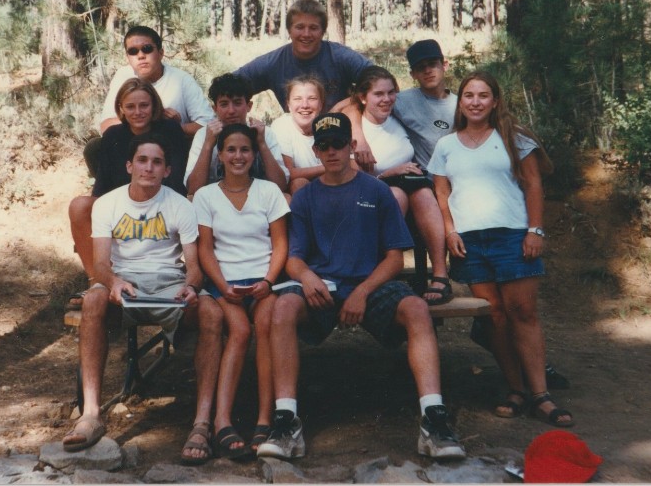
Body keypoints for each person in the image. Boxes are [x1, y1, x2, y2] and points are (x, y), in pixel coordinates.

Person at [257, 113, 466, 461]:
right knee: (283, 307)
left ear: (351, 146)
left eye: (338, 143)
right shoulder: (306, 197)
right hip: (322, 285)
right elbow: (293, 259)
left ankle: (434, 420)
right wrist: (307, 278)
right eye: (323, 146)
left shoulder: (377, 191)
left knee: (416, 308)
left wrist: (363, 291)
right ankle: (286, 420)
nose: (332, 152)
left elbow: (394, 258)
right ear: (316, 151)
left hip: (369, 284)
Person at [62, 134, 224, 465]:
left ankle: (202, 423)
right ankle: (91, 413)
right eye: (142, 160)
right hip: (124, 281)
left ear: (166, 170)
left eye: (156, 162)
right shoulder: (108, 203)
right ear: (129, 166)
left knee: (210, 312)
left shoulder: (180, 205)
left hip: (168, 283)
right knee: (93, 302)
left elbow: (193, 269)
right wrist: (112, 282)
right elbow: (102, 264)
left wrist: (191, 288)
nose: (148, 168)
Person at [428, 71, 574, 428]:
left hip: (512, 236)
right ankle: (515, 389)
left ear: (495, 101)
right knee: (493, 316)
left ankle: (541, 395)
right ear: (459, 102)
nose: (475, 102)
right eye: (468, 96)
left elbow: (534, 184)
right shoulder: (446, 145)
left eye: (483, 95)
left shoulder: (513, 138)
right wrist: (449, 233)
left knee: (522, 312)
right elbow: (442, 197)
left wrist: (534, 230)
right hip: (471, 243)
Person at [192, 124, 290, 458]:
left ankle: (265, 419)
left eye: (244, 150)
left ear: (253, 155)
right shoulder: (206, 196)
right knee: (239, 330)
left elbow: (280, 244)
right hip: (225, 281)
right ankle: (222, 421)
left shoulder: (268, 192)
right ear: (220, 155)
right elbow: (205, 250)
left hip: (263, 280)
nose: (238, 156)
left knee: (265, 327)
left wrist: (268, 282)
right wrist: (222, 286)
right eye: (231, 150)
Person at [233, 0, 379, 171]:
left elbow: (382, 83)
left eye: (314, 28)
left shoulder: (340, 56)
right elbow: (230, 86)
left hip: (341, 138)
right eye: (300, 27)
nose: (306, 34)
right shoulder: (273, 62)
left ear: (323, 31)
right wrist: (239, 122)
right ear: (289, 30)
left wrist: (344, 107)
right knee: (298, 183)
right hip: (298, 140)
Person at [352, 66, 453, 304]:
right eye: (378, 94)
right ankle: (380, 274)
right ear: (363, 97)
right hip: (368, 195)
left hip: (410, 188)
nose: (387, 100)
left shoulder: (397, 118)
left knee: (424, 194)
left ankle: (440, 274)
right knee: (397, 194)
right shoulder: (356, 129)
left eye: (391, 92)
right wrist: (388, 173)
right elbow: (349, 176)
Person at [70, 78, 189, 280]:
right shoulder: (113, 136)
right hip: (121, 204)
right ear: (121, 109)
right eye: (130, 107)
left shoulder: (169, 130)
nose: (138, 112)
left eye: (144, 105)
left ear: (154, 106)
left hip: (162, 202)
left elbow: (175, 179)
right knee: (79, 205)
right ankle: (97, 281)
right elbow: (102, 187)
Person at [84, 26, 214, 175]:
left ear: (161, 52)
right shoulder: (122, 76)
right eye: (133, 51)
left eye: (147, 49)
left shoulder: (182, 80)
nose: (140, 55)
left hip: (170, 148)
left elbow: (207, 125)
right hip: (131, 147)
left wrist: (177, 128)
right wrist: (149, 120)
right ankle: (114, 194)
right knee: (94, 148)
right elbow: (106, 126)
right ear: (127, 57)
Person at [184, 73, 288, 196]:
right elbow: (193, 190)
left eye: (237, 103)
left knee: (286, 198)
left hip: (258, 198)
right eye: (224, 104)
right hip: (215, 200)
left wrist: (261, 143)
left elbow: (281, 186)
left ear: (249, 106)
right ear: (215, 108)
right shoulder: (204, 135)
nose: (231, 111)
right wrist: (208, 145)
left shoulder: (263, 132)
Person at [393, 39, 457, 169]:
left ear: (445, 65)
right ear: (413, 74)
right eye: (421, 67)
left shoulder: (462, 104)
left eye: (432, 64)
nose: (427, 71)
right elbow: (359, 103)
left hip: (458, 176)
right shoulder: (401, 101)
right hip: (424, 181)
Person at [270, 76, 329, 194]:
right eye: (297, 99)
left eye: (312, 98)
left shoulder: (329, 125)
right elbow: (288, 173)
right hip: (298, 191)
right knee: (299, 183)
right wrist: (328, 167)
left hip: (329, 184)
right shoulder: (282, 125)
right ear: (288, 104)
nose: (305, 105)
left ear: (321, 104)